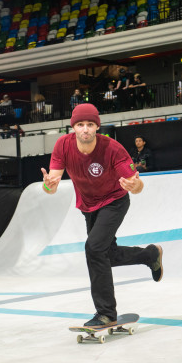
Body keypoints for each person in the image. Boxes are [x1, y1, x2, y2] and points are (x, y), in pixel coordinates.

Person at [40, 103, 163, 327]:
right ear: (73, 128)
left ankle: (106, 313)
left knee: (94, 248)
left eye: (90, 125)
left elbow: (138, 186)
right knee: (106, 255)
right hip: (88, 206)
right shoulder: (63, 146)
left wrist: (133, 186)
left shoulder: (113, 148)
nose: (85, 129)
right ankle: (150, 255)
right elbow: (52, 186)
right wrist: (48, 185)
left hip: (114, 202)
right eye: (80, 125)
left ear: (97, 127)